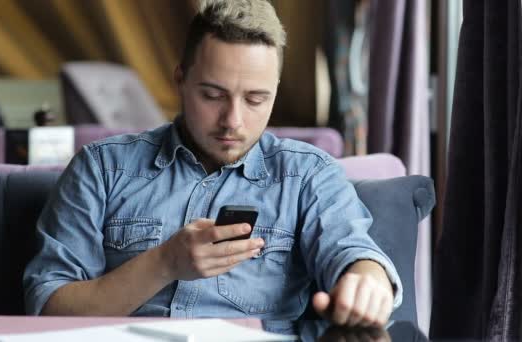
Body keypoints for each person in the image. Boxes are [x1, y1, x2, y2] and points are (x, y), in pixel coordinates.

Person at [24, 0, 402, 331]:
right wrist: (165, 263)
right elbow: (49, 308)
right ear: (181, 80)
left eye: (255, 99)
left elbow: (352, 250)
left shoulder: (307, 175)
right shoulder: (102, 168)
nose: (232, 121)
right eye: (213, 95)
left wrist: (367, 282)